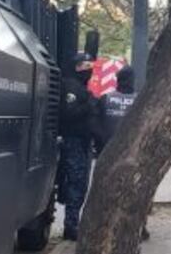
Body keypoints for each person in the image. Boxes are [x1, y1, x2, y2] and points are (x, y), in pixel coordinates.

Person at [94, 66, 148, 240]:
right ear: (132, 80)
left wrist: (101, 146)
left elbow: (96, 125)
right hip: (133, 154)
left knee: (105, 191)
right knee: (133, 191)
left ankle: (104, 226)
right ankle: (136, 227)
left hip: (107, 153)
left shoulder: (106, 99)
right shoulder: (140, 100)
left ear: (117, 80)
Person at [58, 52, 97, 242]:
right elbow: (68, 113)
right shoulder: (70, 87)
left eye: (90, 67)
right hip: (73, 141)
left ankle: (74, 223)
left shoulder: (81, 88)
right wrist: (89, 105)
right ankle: (71, 226)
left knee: (81, 184)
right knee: (76, 182)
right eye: (84, 66)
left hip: (83, 141)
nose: (88, 70)